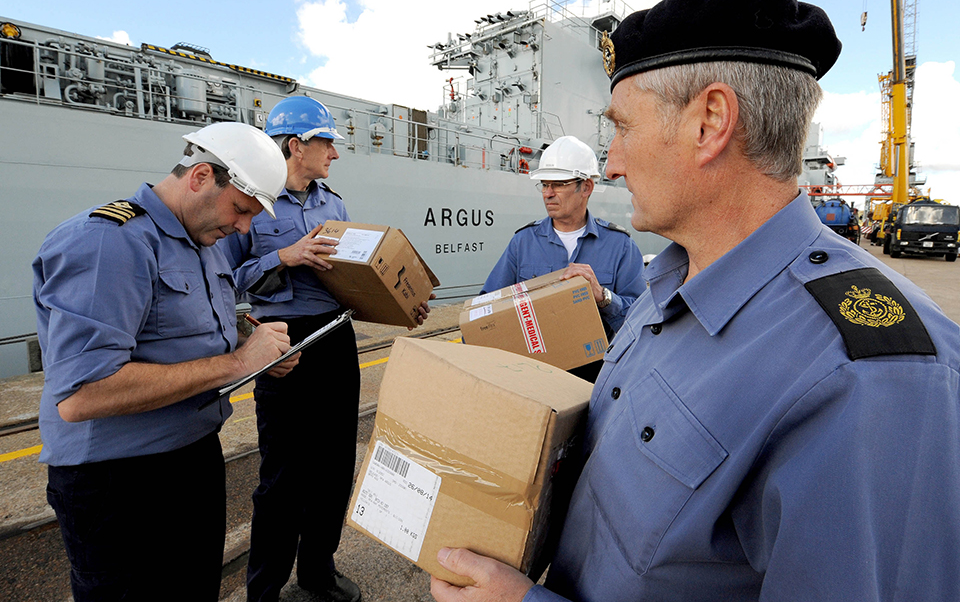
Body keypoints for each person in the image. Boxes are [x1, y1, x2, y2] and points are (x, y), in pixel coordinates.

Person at [430, 0, 960, 602]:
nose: (612, 162)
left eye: (622, 128)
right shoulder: (665, 284)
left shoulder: (875, 379)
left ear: (710, 122)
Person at [33, 122, 296, 602]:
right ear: (199, 177)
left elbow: (194, 321)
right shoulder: (109, 242)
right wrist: (238, 365)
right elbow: (80, 394)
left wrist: (252, 341)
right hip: (119, 485)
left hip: (191, 458)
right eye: (241, 209)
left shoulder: (201, 241)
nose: (243, 228)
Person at [222, 95, 431, 602]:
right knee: (282, 478)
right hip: (282, 347)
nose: (334, 154)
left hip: (335, 338)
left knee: (334, 467)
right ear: (296, 146)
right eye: (326, 143)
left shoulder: (332, 203)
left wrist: (396, 301)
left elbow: (351, 275)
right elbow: (225, 276)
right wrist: (285, 255)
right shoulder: (250, 199)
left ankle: (317, 572)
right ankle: (264, 591)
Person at [480, 135, 645, 380]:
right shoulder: (522, 242)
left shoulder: (620, 246)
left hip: (596, 382)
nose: (548, 193)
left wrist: (603, 297)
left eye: (558, 184)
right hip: (533, 378)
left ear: (586, 187)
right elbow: (486, 309)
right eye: (545, 185)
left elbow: (643, 322)